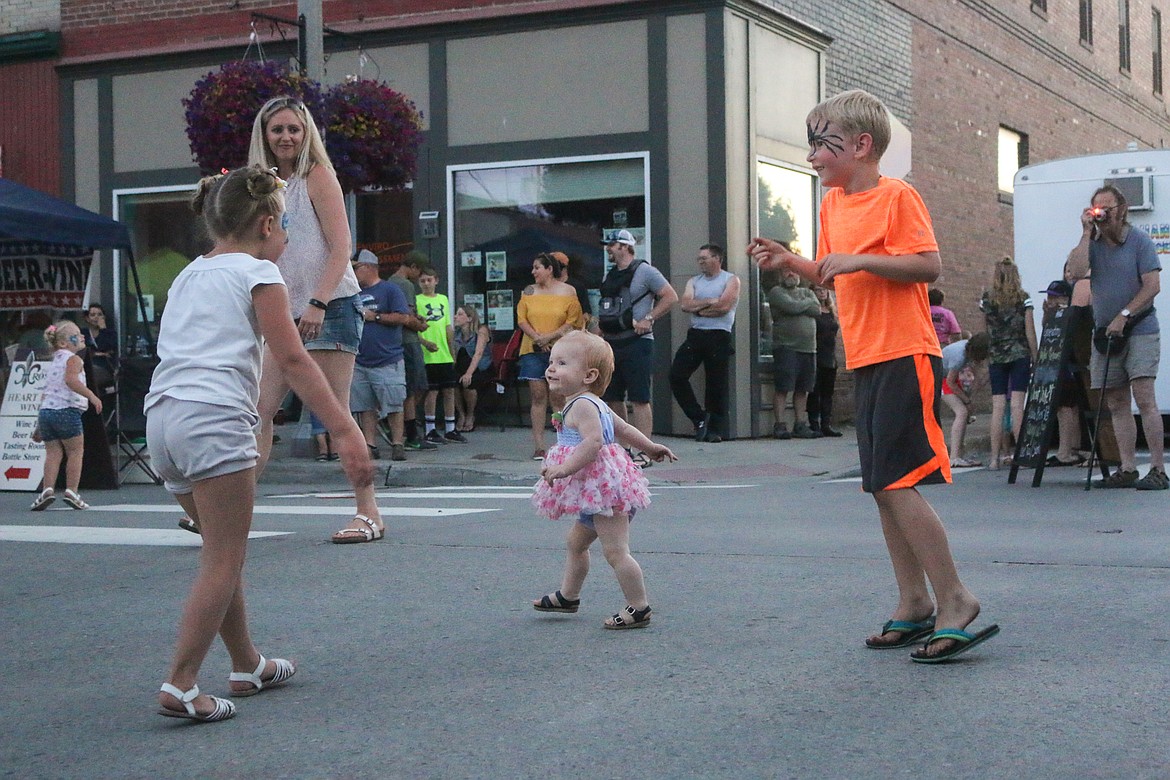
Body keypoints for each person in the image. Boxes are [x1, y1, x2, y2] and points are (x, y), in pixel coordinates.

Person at [748, 88, 998, 663]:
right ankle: (914, 603)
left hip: (906, 352)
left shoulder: (896, 196)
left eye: (821, 143)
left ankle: (955, 598)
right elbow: (832, 276)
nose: (812, 155)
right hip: (867, 356)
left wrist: (862, 259)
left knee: (895, 481)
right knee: (880, 488)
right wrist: (792, 261)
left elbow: (927, 265)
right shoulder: (833, 205)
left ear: (860, 146)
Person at [149, 166, 373, 722]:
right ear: (269, 223)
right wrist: (344, 430)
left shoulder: (188, 275)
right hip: (215, 419)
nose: (289, 236)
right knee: (225, 557)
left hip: (163, 419)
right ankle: (180, 683)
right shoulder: (259, 274)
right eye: (288, 224)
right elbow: (294, 359)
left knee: (220, 555)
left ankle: (247, 662)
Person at [246, 96, 383, 543]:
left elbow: (341, 248)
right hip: (282, 312)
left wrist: (318, 303)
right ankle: (232, 508)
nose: (286, 137)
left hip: (331, 307)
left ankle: (369, 513)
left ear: (306, 136)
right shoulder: (260, 187)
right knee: (259, 411)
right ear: (263, 136)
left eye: (294, 129)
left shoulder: (317, 177)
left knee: (336, 414)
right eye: (277, 130)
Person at [530, 331, 677, 629]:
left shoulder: (583, 405)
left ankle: (639, 607)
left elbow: (593, 442)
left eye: (562, 363)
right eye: (551, 361)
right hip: (596, 491)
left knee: (615, 551)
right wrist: (649, 446)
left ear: (589, 375)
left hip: (604, 493)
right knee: (575, 542)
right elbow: (621, 427)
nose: (551, 368)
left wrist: (564, 469)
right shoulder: (588, 401)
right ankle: (568, 596)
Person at [1066, 184, 1167, 489]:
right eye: (1097, 209)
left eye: (1107, 209)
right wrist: (1085, 233)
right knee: (1116, 400)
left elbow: (1152, 286)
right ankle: (1127, 467)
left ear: (1121, 210)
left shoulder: (1139, 242)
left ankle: (1158, 469)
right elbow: (1075, 271)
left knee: (1144, 397)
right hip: (1106, 333)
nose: (1102, 215)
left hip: (1139, 328)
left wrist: (1125, 315)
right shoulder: (1093, 243)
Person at [597, 229, 678, 467]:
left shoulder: (646, 271)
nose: (608, 249)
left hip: (637, 342)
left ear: (624, 246)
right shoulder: (611, 275)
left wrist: (649, 319)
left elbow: (670, 296)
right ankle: (623, 448)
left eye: (612, 245)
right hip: (612, 342)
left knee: (639, 398)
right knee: (612, 397)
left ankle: (645, 450)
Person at [669, 243, 740, 443]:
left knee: (716, 384)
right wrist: (709, 301)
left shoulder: (731, 280)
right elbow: (685, 304)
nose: (700, 262)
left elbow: (725, 306)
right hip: (696, 335)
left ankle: (714, 430)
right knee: (677, 375)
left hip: (719, 335)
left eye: (705, 258)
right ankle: (699, 418)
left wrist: (699, 309)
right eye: (699, 258)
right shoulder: (694, 281)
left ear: (717, 259)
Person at [517, 252, 584, 459]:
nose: (533, 271)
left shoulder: (568, 291)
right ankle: (539, 445)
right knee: (538, 396)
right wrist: (538, 338)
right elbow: (521, 319)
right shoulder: (528, 291)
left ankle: (563, 442)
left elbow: (573, 320)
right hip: (532, 349)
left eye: (537, 267)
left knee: (558, 396)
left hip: (559, 349)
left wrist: (549, 338)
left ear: (549, 269)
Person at [29, 320, 103, 511]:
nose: (81, 336)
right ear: (63, 343)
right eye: (76, 335)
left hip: (47, 413)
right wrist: (92, 396)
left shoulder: (54, 362)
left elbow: (48, 393)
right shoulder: (74, 359)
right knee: (75, 452)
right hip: (67, 411)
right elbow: (71, 380)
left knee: (53, 454)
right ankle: (72, 491)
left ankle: (47, 489)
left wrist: (39, 426)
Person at [350, 250, 410, 464]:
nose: (353, 272)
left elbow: (403, 316)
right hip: (360, 358)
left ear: (368, 267)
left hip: (387, 358)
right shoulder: (353, 293)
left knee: (393, 403)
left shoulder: (390, 289)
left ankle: (397, 443)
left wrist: (374, 316)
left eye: (356, 268)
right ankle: (370, 444)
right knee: (365, 405)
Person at [980, 257, 1038, 470]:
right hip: (1019, 355)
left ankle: (994, 459)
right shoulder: (1024, 299)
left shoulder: (986, 300)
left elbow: (986, 332)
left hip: (996, 356)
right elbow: (1029, 331)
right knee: (1016, 406)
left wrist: (989, 355)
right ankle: (1021, 455)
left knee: (998, 407)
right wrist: (1036, 355)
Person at [767, 267, 822, 439]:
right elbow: (791, 307)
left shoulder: (807, 291)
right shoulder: (776, 292)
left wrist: (802, 305)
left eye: (794, 271)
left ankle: (800, 425)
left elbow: (818, 309)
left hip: (808, 348)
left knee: (803, 389)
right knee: (783, 387)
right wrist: (806, 304)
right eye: (787, 271)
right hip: (786, 347)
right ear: (781, 275)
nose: (791, 274)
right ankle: (780, 425)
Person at [389, 252, 436, 451]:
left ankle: (407, 430)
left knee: (409, 387)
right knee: (415, 387)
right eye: (419, 273)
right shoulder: (405, 285)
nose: (419, 278)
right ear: (414, 267)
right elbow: (407, 315)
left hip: (396, 341)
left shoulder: (389, 282)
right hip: (408, 341)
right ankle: (411, 433)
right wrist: (421, 325)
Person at [417, 267, 466, 444]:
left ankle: (450, 428)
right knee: (432, 392)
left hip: (444, 353)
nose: (426, 284)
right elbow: (415, 329)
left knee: (449, 391)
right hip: (428, 354)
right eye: (422, 281)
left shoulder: (443, 299)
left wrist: (452, 350)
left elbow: (447, 326)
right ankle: (430, 429)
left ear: (436, 280)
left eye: (429, 280)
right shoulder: (417, 301)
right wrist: (425, 343)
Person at [940, 332, 990, 468]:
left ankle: (959, 455)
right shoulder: (959, 356)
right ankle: (954, 457)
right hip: (939, 377)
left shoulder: (967, 350)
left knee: (964, 413)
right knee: (961, 412)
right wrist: (967, 401)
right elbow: (950, 382)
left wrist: (970, 398)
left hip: (947, 377)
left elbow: (978, 376)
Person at [806, 285, 843, 437]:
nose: (822, 292)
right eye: (818, 290)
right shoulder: (813, 311)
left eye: (824, 289)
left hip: (830, 355)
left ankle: (826, 424)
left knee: (828, 392)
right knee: (815, 391)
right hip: (816, 354)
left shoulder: (832, 312)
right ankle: (814, 423)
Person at [453, 304, 492, 433]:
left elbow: (478, 353)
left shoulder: (481, 330)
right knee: (452, 383)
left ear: (470, 318)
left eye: (460, 314)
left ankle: (470, 415)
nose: (455, 317)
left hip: (481, 367)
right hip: (462, 366)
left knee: (469, 383)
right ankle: (461, 414)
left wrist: (469, 373)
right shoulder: (456, 334)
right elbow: (453, 354)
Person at [82, 303, 118, 392]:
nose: (96, 317)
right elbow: (82, 350)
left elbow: (105, 346)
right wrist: (96, 353)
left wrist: (103, 329)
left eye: (99, 314)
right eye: (93, 315)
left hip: (105, 368)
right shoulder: (83, 333)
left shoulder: (110, 333)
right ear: (87, 318)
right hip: (87, 367)